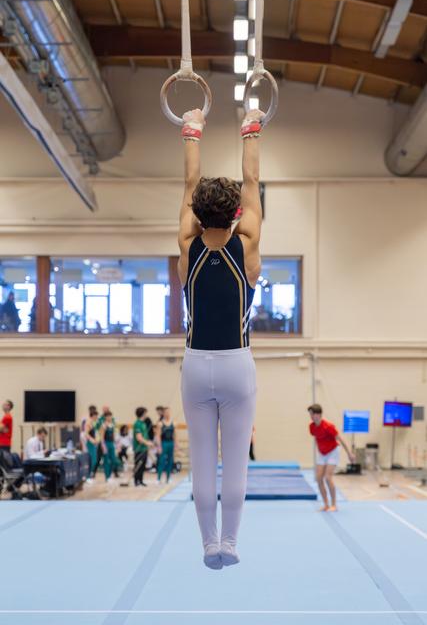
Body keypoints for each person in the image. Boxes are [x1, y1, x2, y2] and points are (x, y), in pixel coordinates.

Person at [178, 108, 262, 569]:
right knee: (236, 463)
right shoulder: (247, 248)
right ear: (237, 214)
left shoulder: (186, 248)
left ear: (195, 214)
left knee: (202, 463)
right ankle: (229, 544)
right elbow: (252, 180)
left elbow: (189, 187)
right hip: (236, 364)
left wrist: (192, 131)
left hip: (196, 366)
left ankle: (207, 543)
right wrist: (252, 126)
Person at [308, 403, 354, 512]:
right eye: (309, 414)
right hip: (322, 453)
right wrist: (320, 450)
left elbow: (340, 439)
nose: (310, 416)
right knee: (319, 478)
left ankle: (334, 504)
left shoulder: (328, 426)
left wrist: (349, 453)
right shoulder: (311, 427)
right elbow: (317, 438)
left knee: (328, 477)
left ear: (318, 415)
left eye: (312, 414)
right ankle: (326, 504)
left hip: (333, 451)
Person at [155, 406, 176, 485]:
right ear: (163, 413)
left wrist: (176, 444)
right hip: (164, 443)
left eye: (169, 412)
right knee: (162, 461)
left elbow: (174, 435)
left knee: (170, 461)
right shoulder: (160, 423)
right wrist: (159, 446)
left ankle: (168, 478)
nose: (168, 414)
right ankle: (158, 478)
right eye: (166, 412)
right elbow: (158, 436)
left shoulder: (173, 422)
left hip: (171, 443)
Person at [133, 408, 153, 487]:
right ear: (143, 413)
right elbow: (139, 438)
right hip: (139, 449)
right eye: (146, 413)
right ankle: (136, 481)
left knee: (143, 466)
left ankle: (141, 480)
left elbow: (145, 436)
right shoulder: (137, 424)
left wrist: (149, 442)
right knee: (138, 465)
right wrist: (147, 443)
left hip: (144, 449)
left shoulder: (143, 424)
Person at [100, 410, 117, 483]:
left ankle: (109, 475)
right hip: (105, 443)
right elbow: (102, 437)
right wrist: (103, 446)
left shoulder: (112, 424)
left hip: (111, 443)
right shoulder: (103, 425)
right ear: (105, 417)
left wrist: (116, 444)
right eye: (108, 416)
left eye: (110, 416)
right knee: (107, 460)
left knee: (114, 460)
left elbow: (113, 435)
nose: (109, 417)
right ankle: (107, 477)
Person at [85, 407, 99, 478]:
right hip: (90, 443)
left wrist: (96, 440)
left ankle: (89, 475)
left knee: (94, 461)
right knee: (92, 461)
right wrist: (92, 440)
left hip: (93, 444)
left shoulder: (93, 423)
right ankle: (87, 476)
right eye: (96, 416)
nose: (97, 417)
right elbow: (86, 434)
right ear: (93, 415)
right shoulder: (88, 422)